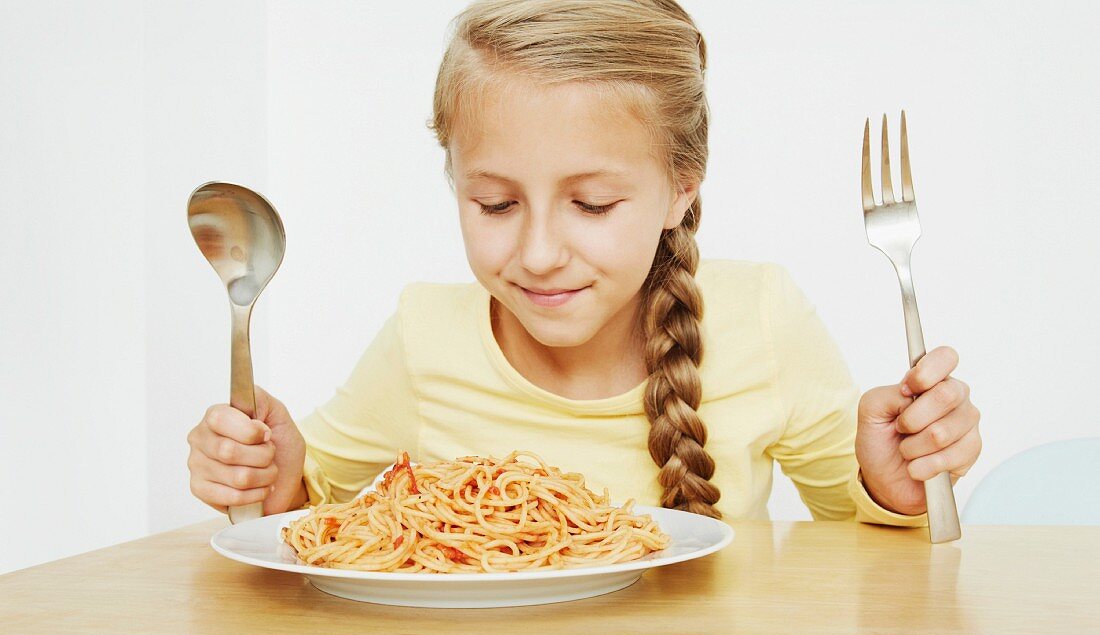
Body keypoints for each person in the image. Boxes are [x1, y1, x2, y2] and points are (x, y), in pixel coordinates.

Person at [186, 0, 981, 526]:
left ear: (680, 188)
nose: (536, 253)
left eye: (592, 205)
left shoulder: (759, 316)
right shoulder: (425, 335)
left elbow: (858, 535)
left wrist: (891, 482)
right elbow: (304, 510)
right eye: (495, 204)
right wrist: (271, 477)